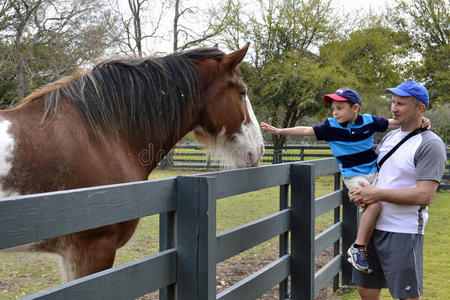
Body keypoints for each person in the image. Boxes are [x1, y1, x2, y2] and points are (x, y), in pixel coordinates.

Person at [260, 87, 429, 274]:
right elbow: (306, 130)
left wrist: (421, 121)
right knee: (375, 206)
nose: (335, 112)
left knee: (382, 202)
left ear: (355, 108)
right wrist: (280, 131)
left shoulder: (369, 121)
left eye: (340, 108)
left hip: (374, 172)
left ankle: (371, 246)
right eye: (333, 108)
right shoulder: (330, 127)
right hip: (354, 175)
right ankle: (358, 247)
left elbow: (395, 122)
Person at [348, 81, 446, 300]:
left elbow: (425, 195)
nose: (394, 108)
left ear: (420, 108)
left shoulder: (430, 145)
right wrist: (360, 193)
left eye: (401, 104)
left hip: (403, 231)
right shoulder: (390, 138)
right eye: (393, 102)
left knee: (406, 296)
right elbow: (380, 176)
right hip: (372, 228)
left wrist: (376, 194)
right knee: (366, 289)